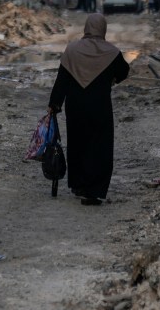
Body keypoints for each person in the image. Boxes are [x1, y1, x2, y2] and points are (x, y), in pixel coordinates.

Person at [47, 13, 130, 206]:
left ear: (86, 28)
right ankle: (93, 192)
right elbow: (124, 72)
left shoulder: (72, 50)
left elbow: (62, 80)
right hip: (100, 106)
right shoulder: (112, 52)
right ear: (103, 29)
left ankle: (79, 185)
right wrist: (110, 79)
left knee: (77, 144)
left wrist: (54, 105)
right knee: (99, 146)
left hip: (75, 106)